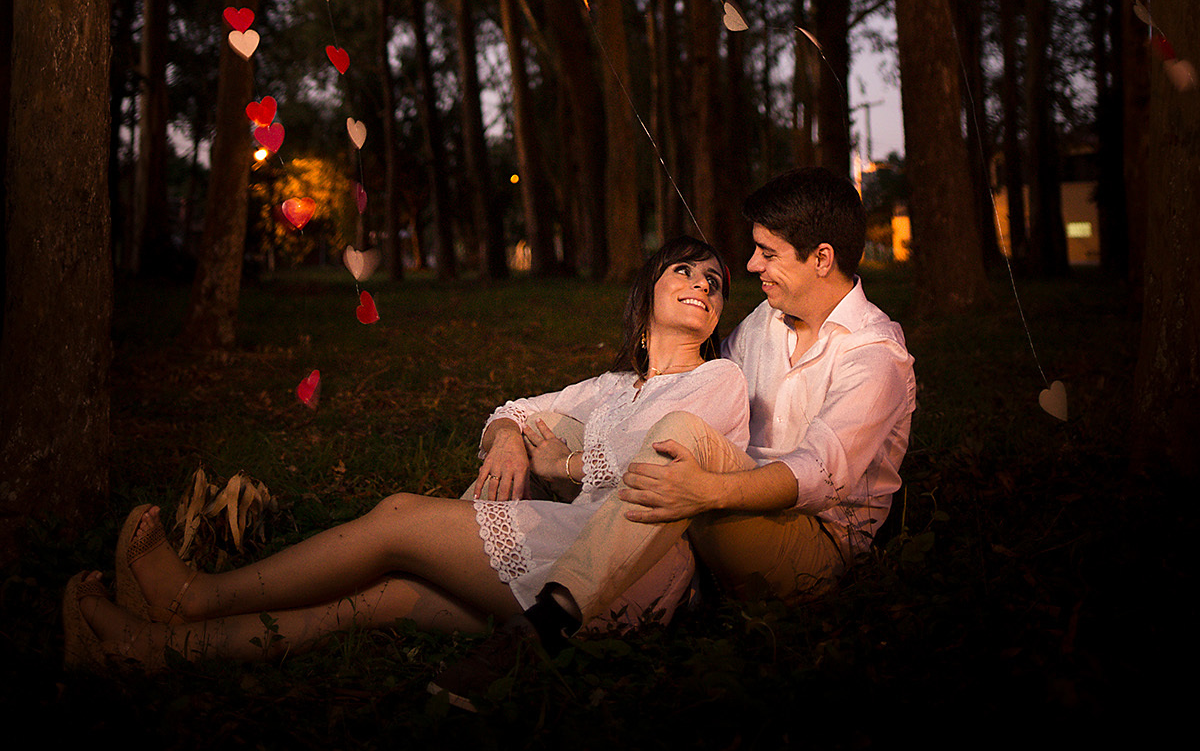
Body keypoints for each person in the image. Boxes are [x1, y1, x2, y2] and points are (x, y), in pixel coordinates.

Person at [63, 237, 748, 673]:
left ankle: (192, 595)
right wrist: (512, 440)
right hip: (569, 542)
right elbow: (509, 412)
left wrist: (557, 465)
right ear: (649, 291)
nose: (702, 284)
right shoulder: (606, 387)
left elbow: (647, 462)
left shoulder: (717, 379)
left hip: (627, 568)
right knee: (382, 601)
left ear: (718, 314)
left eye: (715, 282)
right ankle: (154, 650)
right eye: (683, 270)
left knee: (395, 517)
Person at [435, 168, 915, 702]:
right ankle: (474, 551)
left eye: (768, 253)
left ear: (821, 258)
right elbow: (690, 382)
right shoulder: (765, 323)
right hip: (727, 512)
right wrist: (520, 434)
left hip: (809, 546)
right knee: (576, 423)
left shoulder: (875, 357)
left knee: (682, 435)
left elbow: (816, 475)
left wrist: (706, 489)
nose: (751, 266)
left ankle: (551, 621)